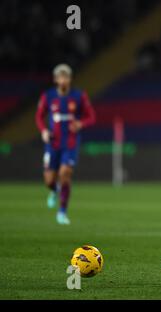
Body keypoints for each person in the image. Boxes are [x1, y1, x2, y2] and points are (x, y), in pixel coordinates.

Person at [35, 64, 96, 225]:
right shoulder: (47, 96)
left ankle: (62, 212)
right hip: (53, 142)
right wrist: (43, 131)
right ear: (55, 79)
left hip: (70, 142)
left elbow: (91, 117)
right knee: (49, 180)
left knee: (65, 173)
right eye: (60, 77)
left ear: (70, 79)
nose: (63, 80)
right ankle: (54, 191)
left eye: (66, 76)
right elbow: (39, 117)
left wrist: (80, 124)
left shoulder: (79, 96)